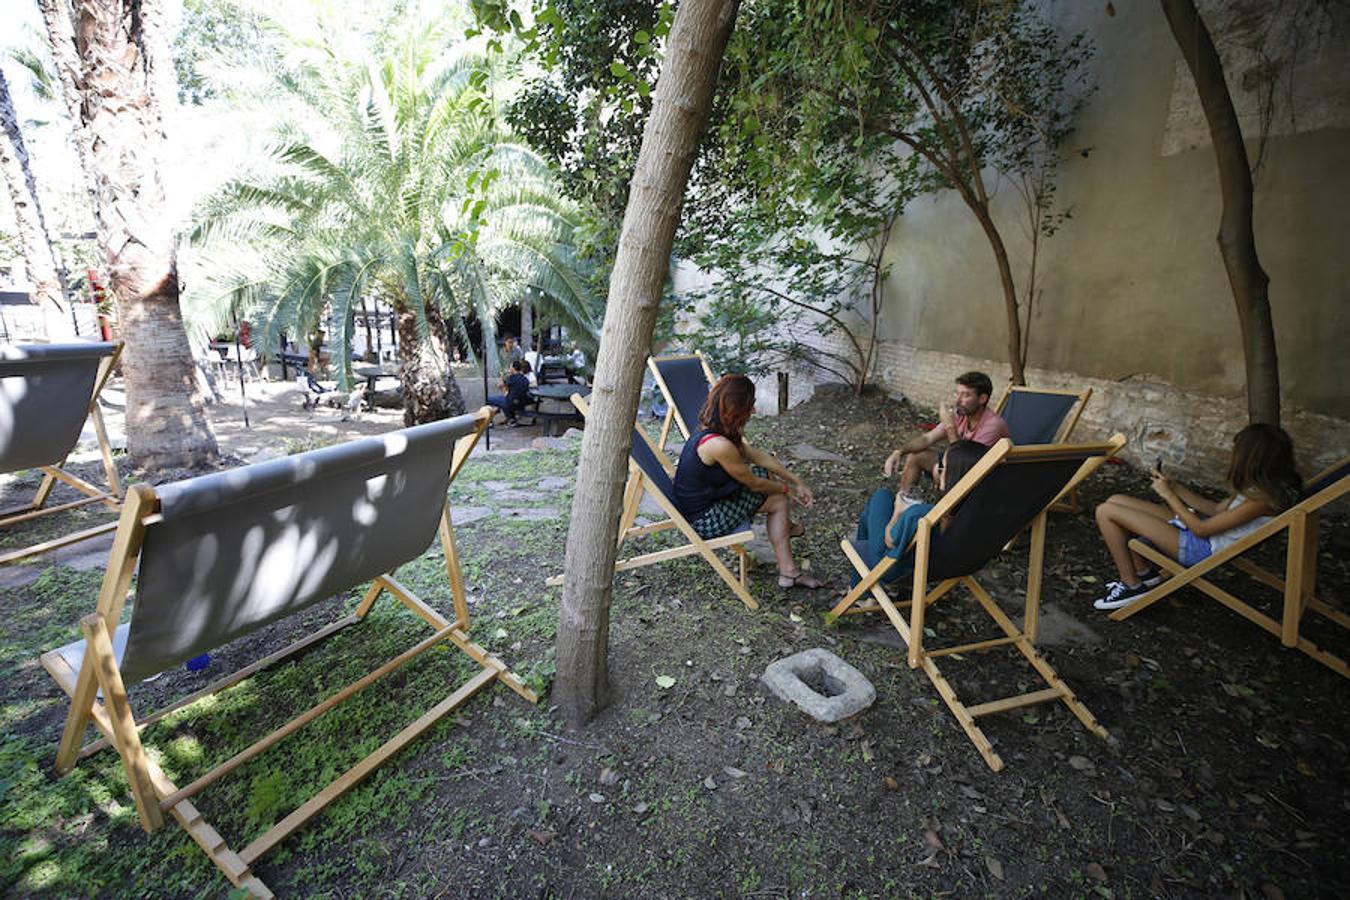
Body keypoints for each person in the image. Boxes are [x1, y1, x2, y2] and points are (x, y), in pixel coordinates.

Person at [1091, 423, 1302, 610]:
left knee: (1105, 511)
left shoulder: (1262, 500)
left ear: (1251, 458)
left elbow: (1201, 530)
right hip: (1200, 532)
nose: (1232, 456)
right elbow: (1214, 510)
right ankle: (1144, 573)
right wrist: (1175, 487)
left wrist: (1169, 495)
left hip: (1199, 547)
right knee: (1117, 500)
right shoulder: (1263, 488)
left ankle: (1131, 586)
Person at [672, 375, 823, 589]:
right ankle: (789, 572)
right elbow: (754, 484)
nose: (753, 411)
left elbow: (759, 457)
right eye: (750, 405)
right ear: (736, 408)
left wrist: (797, 481)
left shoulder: (714, 429)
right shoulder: (718, 445)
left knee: (764, 471)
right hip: (704, 519)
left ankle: (787, 527)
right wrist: (786, 489)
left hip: (711, 500)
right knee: (779, 500)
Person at [853, 440, 988, 583]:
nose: (937, 469)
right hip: (953, 567)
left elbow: (891, 540)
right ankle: (862, 586)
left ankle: (862, 585)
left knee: (882, 496)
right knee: (876, 509)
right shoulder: (980, 514)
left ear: (952, 475)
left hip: (893, 568)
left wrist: (898, 512)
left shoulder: (921, 514)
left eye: (941, 466)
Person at [883, 371, 1010, 498]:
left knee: (941, 470)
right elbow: (928, 438)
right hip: (961, 464)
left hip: (982, 479)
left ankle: (945, 514)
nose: (957, 401)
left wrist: (950, 427)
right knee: (916, 456)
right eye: (957, 393)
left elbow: (965, 463)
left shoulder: (992, 425)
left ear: (982, 399)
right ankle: (902, 502)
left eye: (965, 395)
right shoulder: (962, 414)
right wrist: (899, 452)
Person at [486, 359, 531, 426]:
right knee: (505, 397)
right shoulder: (525, 379)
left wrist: (502, 376)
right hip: (521, 403)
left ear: (513, 368)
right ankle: (511, 419)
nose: (509, 369)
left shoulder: (512, 378)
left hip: (510, 403)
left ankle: (489, 421)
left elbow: (499, 385)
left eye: (510, 367)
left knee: (487, 399)